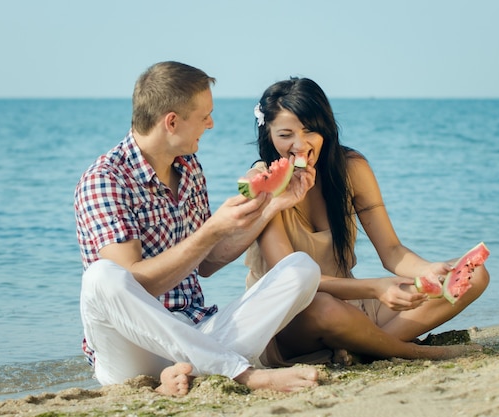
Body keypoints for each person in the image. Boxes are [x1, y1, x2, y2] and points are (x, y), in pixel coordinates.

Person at [74, 62, 322, 396]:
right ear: (172, 122)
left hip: (198, 332)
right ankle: (242, 373)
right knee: (101, 277)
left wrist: (274, 206)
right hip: (133, 351)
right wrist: (211, 230)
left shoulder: (188, 167)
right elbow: (132, 286)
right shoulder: (105, 180)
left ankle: (191, 373)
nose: (211, 123)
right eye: (204, 116)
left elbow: (206, 263)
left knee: (302, 269)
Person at [244, 77, 490, 367]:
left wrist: (428, 271)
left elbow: (392, 251)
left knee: (474, 275)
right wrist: (376, 288)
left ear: (326, 128)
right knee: (323, 308)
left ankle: (364, 349)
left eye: (310, 130)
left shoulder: (351, 168)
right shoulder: (260, 183)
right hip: (290, 318)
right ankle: (413, 352)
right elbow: (292, 281)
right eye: (285, 134)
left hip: (353, 304)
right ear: (268, 134)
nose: (300, 144)